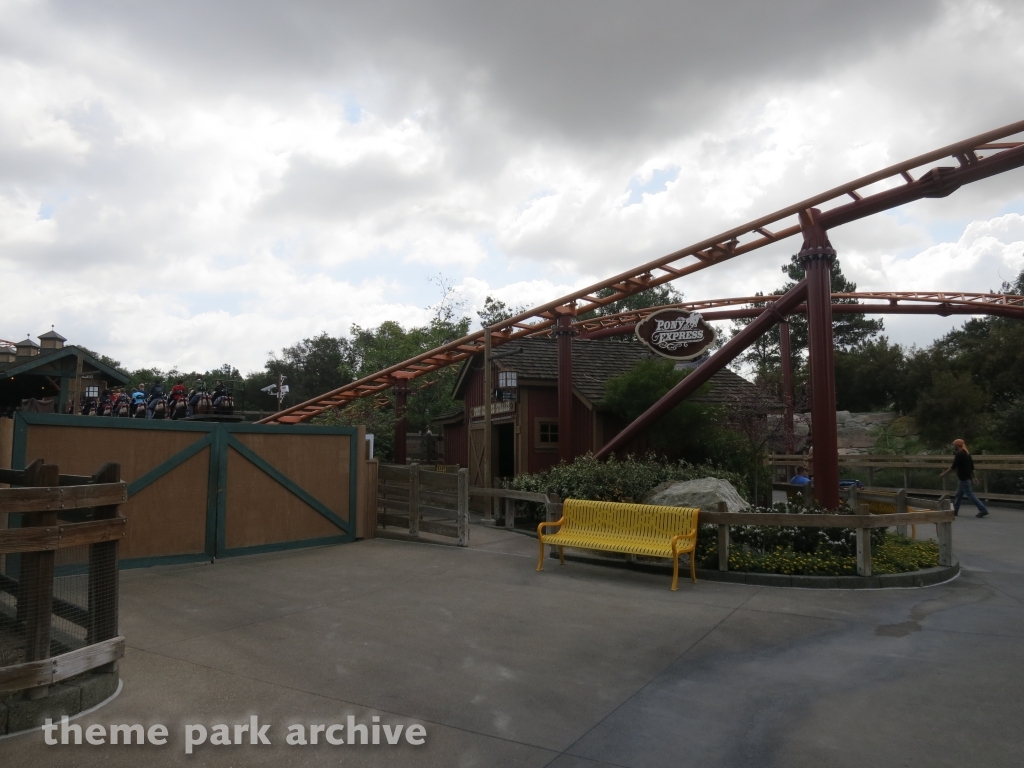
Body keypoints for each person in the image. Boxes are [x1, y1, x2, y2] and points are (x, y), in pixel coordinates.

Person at [940, 438, 989, 518]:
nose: (953, 447)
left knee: (970, 495)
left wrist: (944, 474)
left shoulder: (959, 454)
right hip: (966, 478)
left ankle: (983, 509)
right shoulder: (967, 454)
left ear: (956, 445)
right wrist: (974, 477)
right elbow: (972, 467)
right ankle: (955, 511)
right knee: (959, 495)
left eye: (954, 445)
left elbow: (953, 467)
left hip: (963, 478)